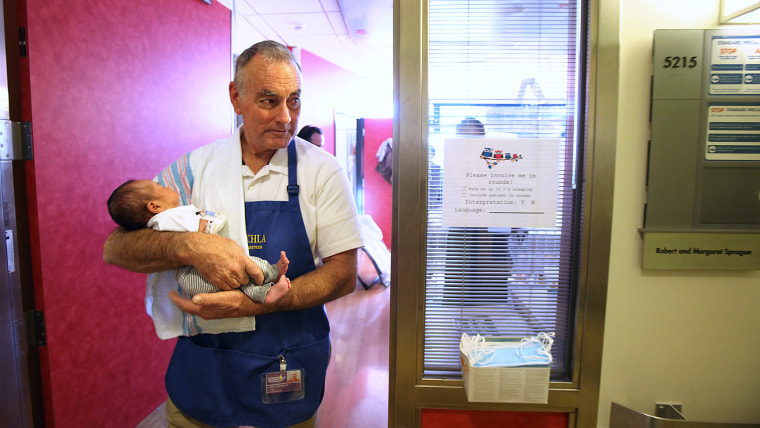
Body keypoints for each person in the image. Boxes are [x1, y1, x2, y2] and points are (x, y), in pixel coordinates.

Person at [102, 40, 363, 428]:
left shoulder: (323, 172)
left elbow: (344, 275)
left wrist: (260, 304)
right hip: (207, 370)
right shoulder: (194, 170)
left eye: (294, 100)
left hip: (288, 365)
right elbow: (117, 248)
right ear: (235, 97)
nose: (285, 117)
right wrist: (193, 245)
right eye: (268, 100)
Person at [106, 179, 291, 305]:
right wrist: (203, 227)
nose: (167, 186)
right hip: (192, 275)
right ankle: (271, 276)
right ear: (155, 206)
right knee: (244, 268)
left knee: (241, 281)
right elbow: (198, 236)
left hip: (191, 280)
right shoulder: (169, 218)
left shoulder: (163, 218)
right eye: (161, 187)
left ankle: (267, 290)